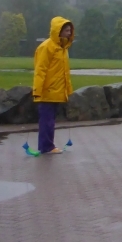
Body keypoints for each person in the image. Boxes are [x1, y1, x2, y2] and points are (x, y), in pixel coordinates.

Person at [32, 16, 74, 154]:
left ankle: (47, 146)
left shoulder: (63, 49)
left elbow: (65, 73)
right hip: (47, 91)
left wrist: (67, 90)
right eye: (66, 30)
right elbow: (40, 70)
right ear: (58, 31)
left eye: (70, 30)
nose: (69, 33)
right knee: (47, 121)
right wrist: (37, 90)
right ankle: (46, 147)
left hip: (57, 91)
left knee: (50, 121)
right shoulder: (46, 47)